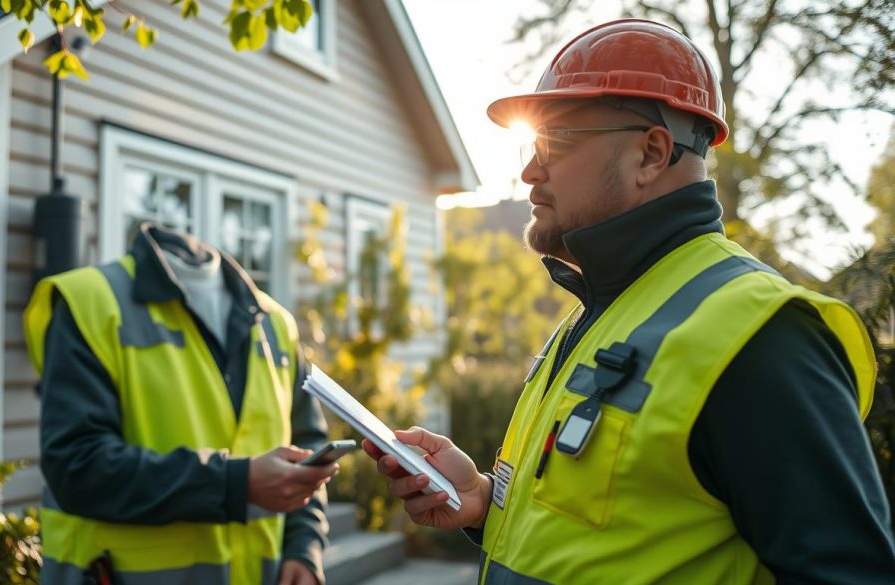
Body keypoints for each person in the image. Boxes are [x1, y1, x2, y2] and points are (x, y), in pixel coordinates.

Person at [364, 18, 895, 584]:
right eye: (531, 142)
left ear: (651, 153)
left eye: (556, 142)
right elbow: (610, 525)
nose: (528, 170)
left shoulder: (761, 336)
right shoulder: (605, 309)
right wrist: (479, 498)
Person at [24, 222, 335, 585]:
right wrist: (235, 483)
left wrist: (303, 547)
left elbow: (308, 446)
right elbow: (77, 464)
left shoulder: (277, 324)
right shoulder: (90, 301)